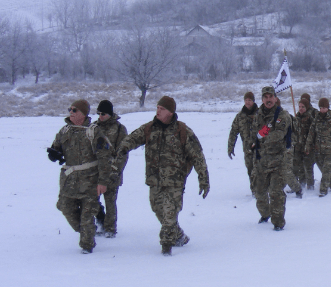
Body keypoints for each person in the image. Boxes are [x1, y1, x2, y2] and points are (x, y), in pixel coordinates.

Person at [113, 96, 210, 255]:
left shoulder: (182, 131)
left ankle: (166, 249)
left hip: (175, 182)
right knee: (159, 211)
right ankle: (179, 236)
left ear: (170, 112)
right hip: (154, 181)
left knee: (169, 216)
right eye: (157, 108)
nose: (158, 111)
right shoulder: (149, 128)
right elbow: (132, 139)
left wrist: (203, 179)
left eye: (162, 109)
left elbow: (197, 156)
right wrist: (123, 148)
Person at [47, 99, 113, 254]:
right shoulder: (65, 131)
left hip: (89, 181)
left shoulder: (94, 132)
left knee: (87, 215)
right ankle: (87, 230)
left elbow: (105, 157)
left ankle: (87, 247)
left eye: (74, 110)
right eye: (70, 109)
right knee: (64, 207)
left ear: (83, 113)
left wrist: (103, 181)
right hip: (69, 182)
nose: (71, 112)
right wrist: (54, 154)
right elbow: (56, 147)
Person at [246, 87, 292, 232]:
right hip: (261, 161)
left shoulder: (282, 115)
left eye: (270, 97)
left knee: (275, 192)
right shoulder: (258, 115)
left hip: (278, 161)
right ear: (262, 99)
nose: (268, 100)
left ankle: (278, 223)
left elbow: (279, 134)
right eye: (265, 97)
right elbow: (253, 134)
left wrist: (262, 137)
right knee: (259, 192)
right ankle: (265, 214)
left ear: (275, 98)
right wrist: (251, 143)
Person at [94, 100, 128, 239]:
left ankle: (110, 229)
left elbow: (123, 152)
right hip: (95, 173)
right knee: (92, 200)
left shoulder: (120, 129)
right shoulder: (94, 128)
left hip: (112, 173)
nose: (100, 116)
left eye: (103, 114)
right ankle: (100, 221)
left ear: (110, 113)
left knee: (110, 202)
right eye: (99, 113)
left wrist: (115, 170)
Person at [304, 98, 331, 197]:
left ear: (328, 108)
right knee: (326, 170)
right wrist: (308, 146)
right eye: (321, 108)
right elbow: (311, 134)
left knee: (326, 169)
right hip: (319, 150)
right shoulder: (316, 120)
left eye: (324, 108)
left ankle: (323, 189)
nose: (322, 110)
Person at [228, 92, 262, 197]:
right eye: (246, 100)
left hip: (260, 148)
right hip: (247, 149)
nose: (248, 102)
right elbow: (233, 132)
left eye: (250, 100)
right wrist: (230, 147)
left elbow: (267, 129)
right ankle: (254, 191)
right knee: (250, 170)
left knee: (259, 170)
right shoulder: (240, 116)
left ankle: (261, 191)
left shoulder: (260, 114)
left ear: (253, 101)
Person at [292, 99, 316, 190]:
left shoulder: (310, 118)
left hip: (308, 147)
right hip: (298, 146)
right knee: (298, 167)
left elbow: (313, 133)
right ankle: (301, 183)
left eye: (303, 107)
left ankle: (310, 185)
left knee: (308, 167)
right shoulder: (296, 117)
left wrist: (309, 145)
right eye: (299, 107)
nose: (301, 108)